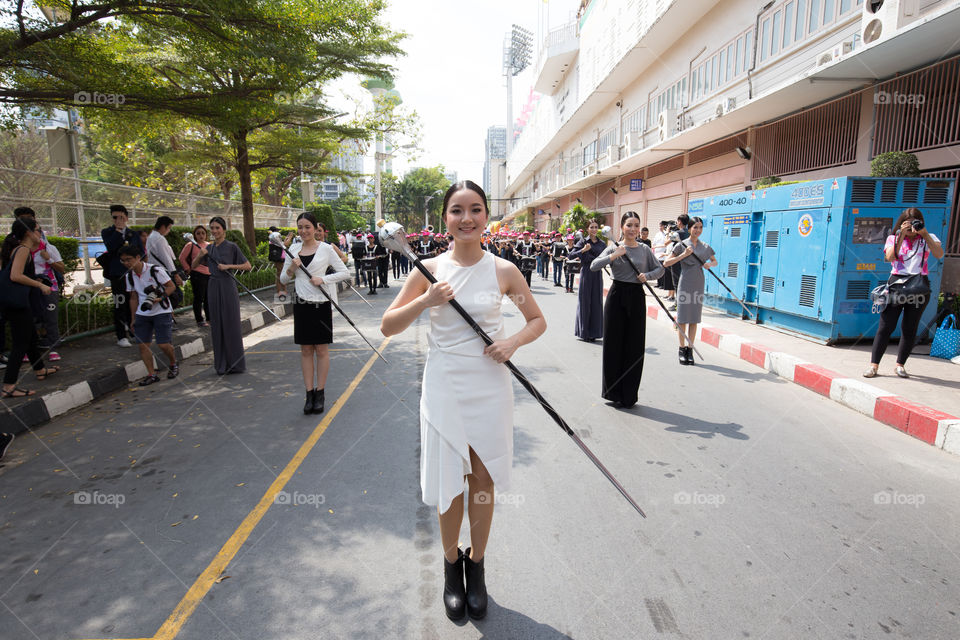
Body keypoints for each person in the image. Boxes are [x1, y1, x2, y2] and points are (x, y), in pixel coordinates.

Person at [380, 180, 546, 622]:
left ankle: (478, 565)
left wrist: (511, 344)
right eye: (457, 210)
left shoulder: (505, 270)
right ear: (446, 219)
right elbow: (388, 325)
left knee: (484, 481)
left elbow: (536, 320)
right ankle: (452, 567)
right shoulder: (427, 268)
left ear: (486, 216)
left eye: (475, 209)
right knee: (448, 478)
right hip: (444, 382)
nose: (466, 218)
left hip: (489, 383)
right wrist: (426, 301)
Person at [589, 211, 663, 408]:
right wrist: (614, 255)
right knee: (613, 344)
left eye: (636, 225)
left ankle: (629, 394)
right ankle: (613, 392)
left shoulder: (645, 250)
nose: (633, 229)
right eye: (629, 225)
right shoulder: (614, 246)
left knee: (634, 346)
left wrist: (647, 275)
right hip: (616, 296)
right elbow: (594, 266)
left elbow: (660, 269)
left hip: (636, 297)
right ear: (622, 227)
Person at [280, 213, 351, 414]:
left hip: (321, 303)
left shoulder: (326, 249)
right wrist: (292, 269)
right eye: (300, 227)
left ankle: (320, 393)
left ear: (314, 228)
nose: (304, 231)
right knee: (305, 350)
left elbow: (344, 272)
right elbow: (283, 280)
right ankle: (308, 393)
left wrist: (323, 280)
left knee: (321, 350)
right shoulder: (292, 249)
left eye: (307, 227)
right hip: (301, 303)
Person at [865, 208, 943, 378]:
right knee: (885, 327)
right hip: (896, 287)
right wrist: (901, 235)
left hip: (919, 288)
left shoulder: (928, 239)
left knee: (909, 328)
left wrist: (924, 234)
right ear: (900, 224)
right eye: (907, 223)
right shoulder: (893, 238)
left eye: (915, 222)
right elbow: (890, 258)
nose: (911, 228)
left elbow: (939, 254)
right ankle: (874, 365)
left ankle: (900, 365)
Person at [1, 218, 59, 398]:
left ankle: (40, 369)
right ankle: (9, 385)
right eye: (37, 229)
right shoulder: (23, 250)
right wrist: (39, 285)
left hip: (15, 301)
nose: (40, 233)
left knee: (30, 337)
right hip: (17, 303)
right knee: (21, 343)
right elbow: (15, 275)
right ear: (28, 232)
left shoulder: (20, 249)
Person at [191, 217, 250, 375]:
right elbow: (193, 266)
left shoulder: (232, 247)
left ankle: (236, 364)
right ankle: (221, 365)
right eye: (212, 228)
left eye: (217, 228)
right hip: (213, 285)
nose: (214, 231)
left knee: (231, 323)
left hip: (228, 285)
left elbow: (247, 265)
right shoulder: (208, 249)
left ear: (224, 229)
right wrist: (200, 254)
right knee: (216, 325)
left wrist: (228, 266)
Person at [662, 216, 717, 365]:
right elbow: (666, 262)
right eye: (695, 227)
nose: (697, 230)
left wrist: (709, 265)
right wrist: (683, 255)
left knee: (694, 319)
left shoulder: (705, 246)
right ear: (690, 228)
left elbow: (714, 261)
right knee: (682, 318)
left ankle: (690, 349)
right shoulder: (681, 245)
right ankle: (681, 348)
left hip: (698, 283)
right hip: (685, 282)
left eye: (700, 227)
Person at [120, 244, 178, 385]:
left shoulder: (155, 270)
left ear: (138, 257)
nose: (126, 263)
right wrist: (133, 318)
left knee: (163, 344)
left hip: (161, 311)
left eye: (129, 259)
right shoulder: (130, 276)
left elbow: (171, 286)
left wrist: (161, 297)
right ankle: (151, 374)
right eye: (123, 260)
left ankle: (173, 363)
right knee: (143, 345)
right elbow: (133, 297)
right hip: (143, 313)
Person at [101, 204, 143, 347]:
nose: (118, 220)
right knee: (120, 303)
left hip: (133, 273)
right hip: (117, 274)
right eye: (115, 217)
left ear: (126, 217)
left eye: (121, 217)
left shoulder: (133, 234)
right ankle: (121, 335)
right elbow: (111, 247)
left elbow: (141, 252)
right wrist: (118, 232)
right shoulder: (108, 232)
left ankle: (135, 331)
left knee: (134, 301)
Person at [568, 220, 605, 341]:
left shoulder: (602, 244)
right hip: (586, 273)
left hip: (597, 274)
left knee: (596, 302)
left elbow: (606, 258)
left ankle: (594, 333)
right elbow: (571, 256)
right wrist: (583, 250)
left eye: (596, 227)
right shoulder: (582, 242)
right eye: (592, 227)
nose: (594, 229)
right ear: (587, 229)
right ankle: (584, 332)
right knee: (585, 302)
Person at [32, 232, 64, 361]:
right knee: (32, 319)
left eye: (37, 231)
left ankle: (53, 349)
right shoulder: (22, 250)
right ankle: (30, 351)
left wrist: (48, 259)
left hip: (50, 287)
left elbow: (61, 268)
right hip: (30, 287)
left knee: (51, 318)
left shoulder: (49, 248)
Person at [145, 215, 184, 306]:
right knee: (175, 295)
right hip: (162, 271)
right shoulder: (159, 238)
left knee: (166, 294)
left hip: (154, 271)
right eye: (169, 228)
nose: (169, 231)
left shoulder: (151, 237)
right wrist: (175, 274)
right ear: (163, 226)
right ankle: (168, 315)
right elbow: (166, 258)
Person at [180, 225, 211, 326]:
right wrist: (188, 269)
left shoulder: (209, 245)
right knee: (199, 297)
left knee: (208, 297)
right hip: (197, 274)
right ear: (194, 235)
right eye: (198, 233)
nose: (201, 235)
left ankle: (209, 318)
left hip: (209, 274)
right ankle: (199, 320)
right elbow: (182, 258)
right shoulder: (191, 245)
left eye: (203, 233)